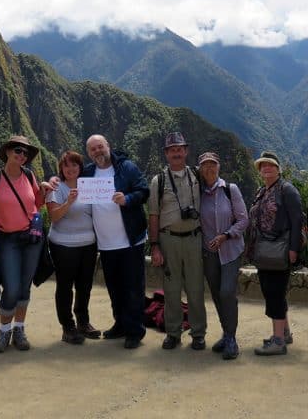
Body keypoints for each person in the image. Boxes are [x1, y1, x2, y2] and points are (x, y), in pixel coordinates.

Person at [0, 135, 50, 354]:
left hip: (31, 238)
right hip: (8, 239)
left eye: (25, 153)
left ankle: (19, 329)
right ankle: (3, 331)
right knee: (11, 288)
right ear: (7, 151)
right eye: (18, 150)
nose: (22, 155)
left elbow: (37, 203)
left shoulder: (29, 175)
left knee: (24, 286)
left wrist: (44, 189)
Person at [83, 134, 149, 349]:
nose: (97, 151)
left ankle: (135, 331)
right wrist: (54, 181)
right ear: (88, 153)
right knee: (115, 288)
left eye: (100, 146)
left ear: (108, 146)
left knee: (133, 288)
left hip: (130, 241)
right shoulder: (88, 173)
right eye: (92, 149)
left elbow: (143, 190)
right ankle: (120, 324)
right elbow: (67, 180)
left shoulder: (126, 167)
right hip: (105, 244)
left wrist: (127, 199)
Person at [148, 132, 207, 351]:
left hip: (193, 237)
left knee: (195, 288)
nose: (176, 153)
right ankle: (173, 333)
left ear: (186, 151)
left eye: (179, 149)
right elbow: (153, 214)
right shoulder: (159, 181)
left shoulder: (196, 175)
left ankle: (198, 333)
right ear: (166, 154)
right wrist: (154, 246)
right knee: (171, 289)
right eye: (172, 149)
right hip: (169, 239)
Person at [248, 151, 303, 356]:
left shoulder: (287, 190)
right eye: (263, 166)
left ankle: (278, 341)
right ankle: (284, 332)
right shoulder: (263, 191)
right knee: (272, 291)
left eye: (270, 165)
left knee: (274, 293)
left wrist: (293, 249)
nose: (267, 168)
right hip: (264, 251)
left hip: (279, 250)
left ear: (278, 168)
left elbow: (297, 220)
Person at [198, 151, 249, 360]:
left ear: (218, 167)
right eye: (205, 166)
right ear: (200, 170)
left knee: (227, 292)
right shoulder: (198, 193)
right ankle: (227, 334)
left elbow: (243, 220)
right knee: (218, 295)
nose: (209, 169)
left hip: (230, 251)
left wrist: (226, 235)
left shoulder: (230, 190)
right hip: (209, 253)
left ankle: (231, 338)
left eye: (213, 165)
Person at [46, 150, 100, 345]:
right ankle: (68, 327)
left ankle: (83, 322)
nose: (70, 169)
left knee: (85, 285)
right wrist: (68, 202)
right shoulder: (56, 187)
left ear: (80, 167)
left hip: (88, 244)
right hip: (63, 245)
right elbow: (54, 216)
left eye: (74, 165)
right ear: (61, 168)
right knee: (65, 286)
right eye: (66, 165)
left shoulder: (89, 186)